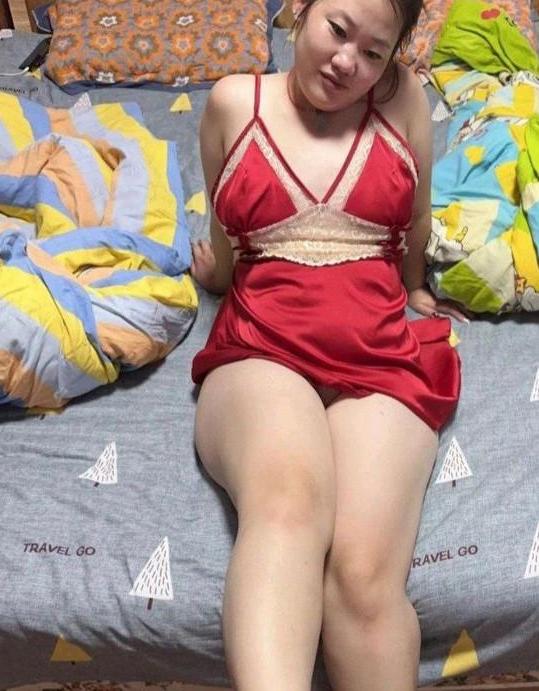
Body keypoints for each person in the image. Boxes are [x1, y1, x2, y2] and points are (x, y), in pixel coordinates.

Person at [190, 0, 466, 689]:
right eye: (336, 30)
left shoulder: (404, 104)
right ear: (300, 13)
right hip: (260, 346)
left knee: (362, 576)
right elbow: (226, 224)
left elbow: (416, 218)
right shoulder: (233, 103)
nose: (347, 62)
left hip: (381, 356)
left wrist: (414, 287)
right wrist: (217, 276)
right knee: (288, 503)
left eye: (373, 53)